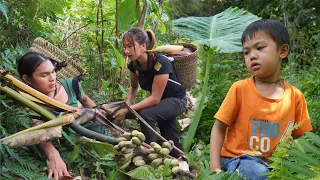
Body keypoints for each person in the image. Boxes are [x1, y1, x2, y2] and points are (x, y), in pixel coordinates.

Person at [209, 19, 312, 179]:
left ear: (283, 51)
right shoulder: (240, 89)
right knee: (257, 173)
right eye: (246, 52)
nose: (252, 56)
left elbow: (299, 138)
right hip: (236, 159)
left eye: (260, 48)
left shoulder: (295, 96)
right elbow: (218, 128)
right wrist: (214, 168)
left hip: (275, 165)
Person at [17, 52, 97, 180]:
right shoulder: (27, 102)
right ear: (27, 79)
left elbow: (91, 106)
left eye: (53, 71)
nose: (52, 78)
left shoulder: (71, 85)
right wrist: (53, 154)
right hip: (68, 147)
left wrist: (100, 116)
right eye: (44, 75)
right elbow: (38, 132)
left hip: (91, 134)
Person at [113, 27, 187, 158]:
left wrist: (129, 110)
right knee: (170, 140)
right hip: (162, 105)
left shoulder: (160, 62)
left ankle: (149, 153)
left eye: (130, 46)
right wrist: (126, 105)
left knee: (146, 114)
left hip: (176, 100)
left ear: (143, 46)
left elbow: (155, 99)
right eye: (124, 47)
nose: (126, 51)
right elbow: (134, 88)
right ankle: (178, 159)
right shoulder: (134, 66)